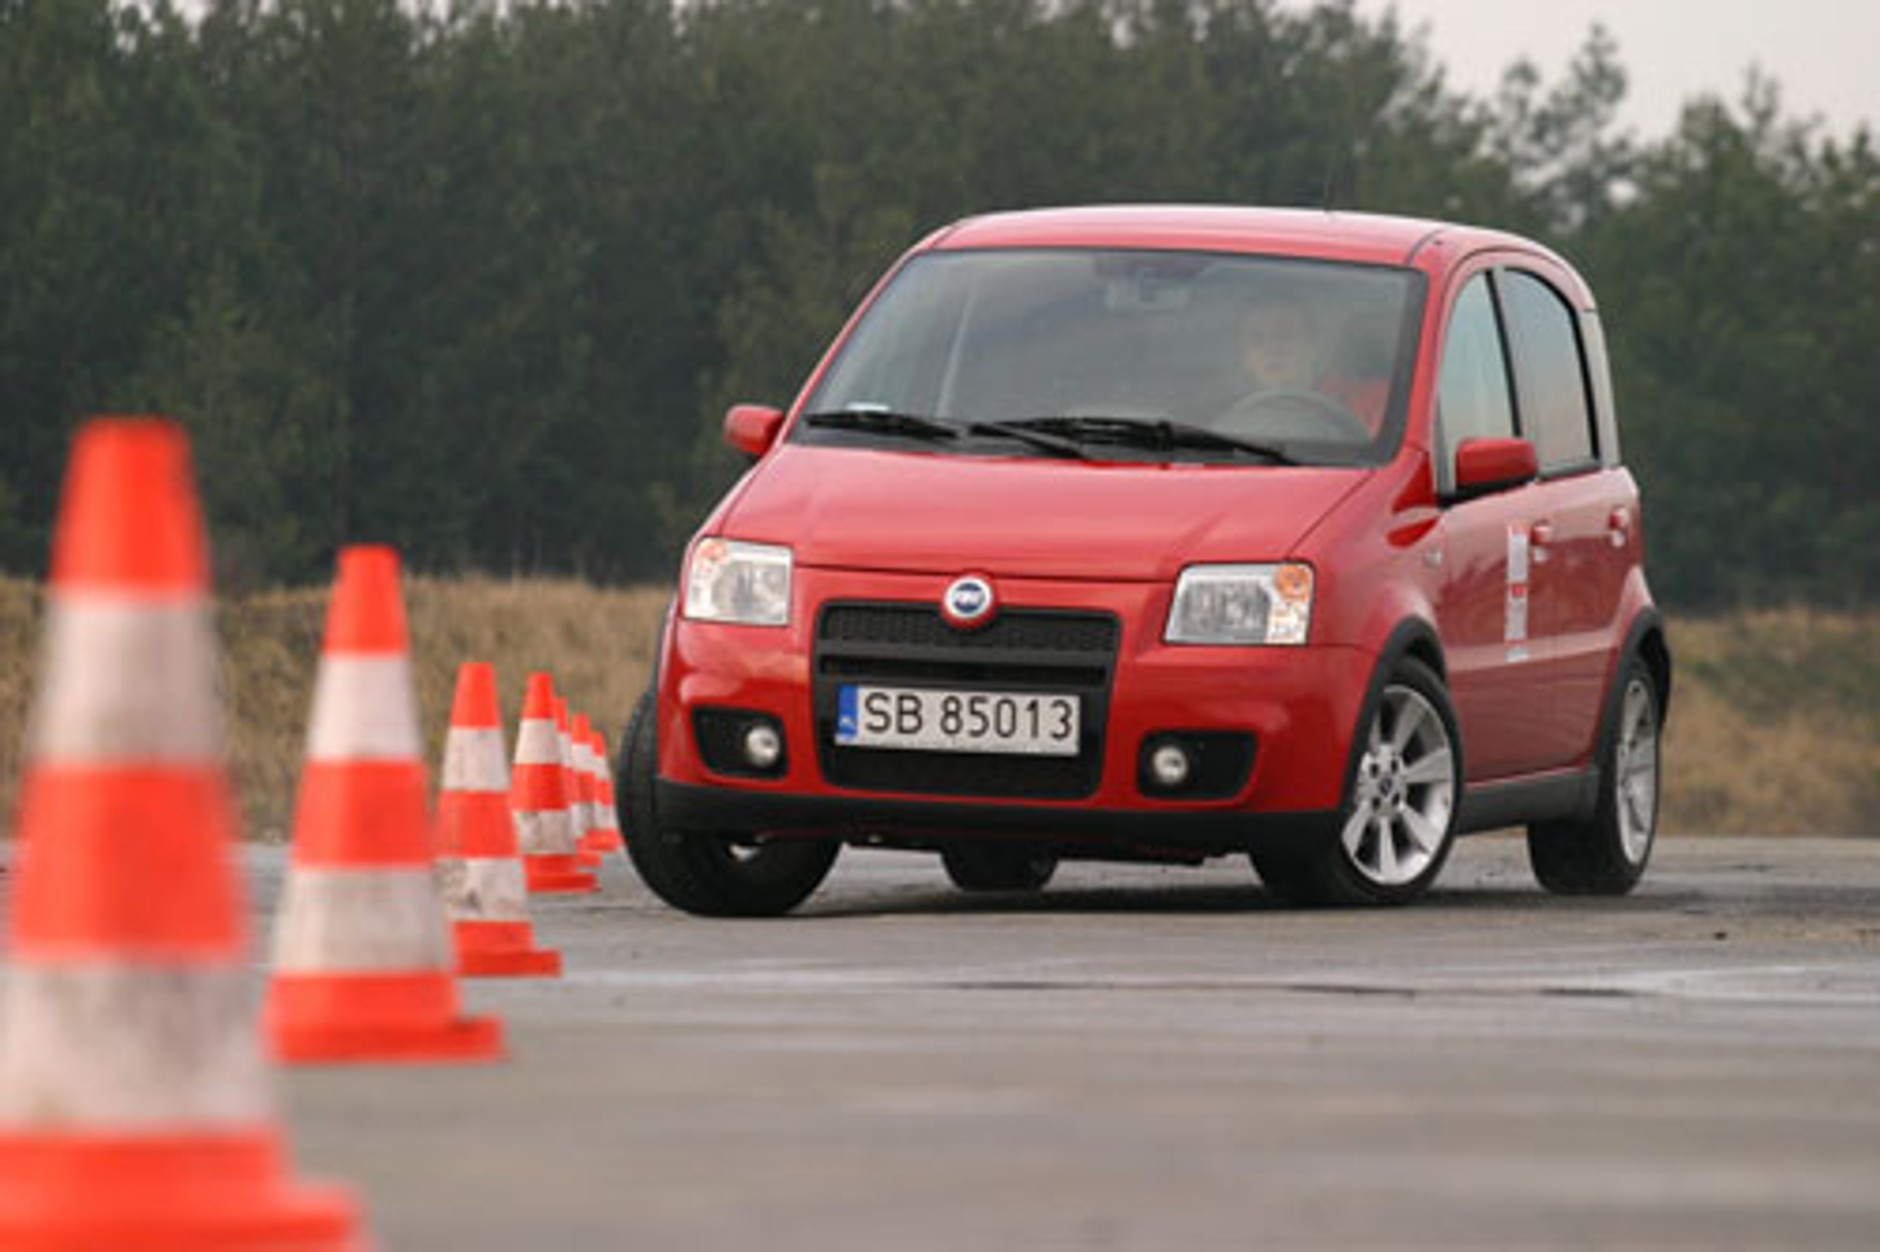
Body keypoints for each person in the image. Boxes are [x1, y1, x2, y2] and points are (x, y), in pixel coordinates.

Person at [1224, 290, 1388, 436]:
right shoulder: (1229, 420)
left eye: (1284, 336)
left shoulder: (1372, 400)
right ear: (1244, 357)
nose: (1271, 349)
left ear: (1313, 346)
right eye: (1257, 340)